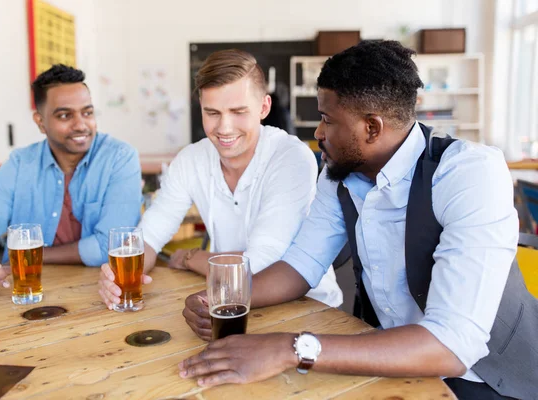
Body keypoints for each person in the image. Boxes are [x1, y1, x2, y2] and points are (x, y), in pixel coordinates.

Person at [179, 41, 537, 400]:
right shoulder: (341, 174)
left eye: (327, 120)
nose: (318, 133)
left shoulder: (468, 174)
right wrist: (227, 299)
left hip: (486, 379)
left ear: (371, 128)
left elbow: (452, 346)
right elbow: (300, 266)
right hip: (385, 356)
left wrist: (288, 349)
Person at [98, 49, 342, 310]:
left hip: (309, 308)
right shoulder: (190, 159)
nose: (224, 128)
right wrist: (117, 276)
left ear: (263, 107)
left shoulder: (291, 156)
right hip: (232, 300)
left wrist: (195, 257)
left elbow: (264, 262)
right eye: (212, 113)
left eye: (238, 111)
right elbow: (148, 237)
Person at [0, 64, 142, 297]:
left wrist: (35, 255)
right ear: (40, 122)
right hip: (26, 298)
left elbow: (109, 247)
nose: (81, 124)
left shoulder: (119, 158)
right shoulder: (19, 165)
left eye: (87, 112)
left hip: (100, 294)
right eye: (65, 115)